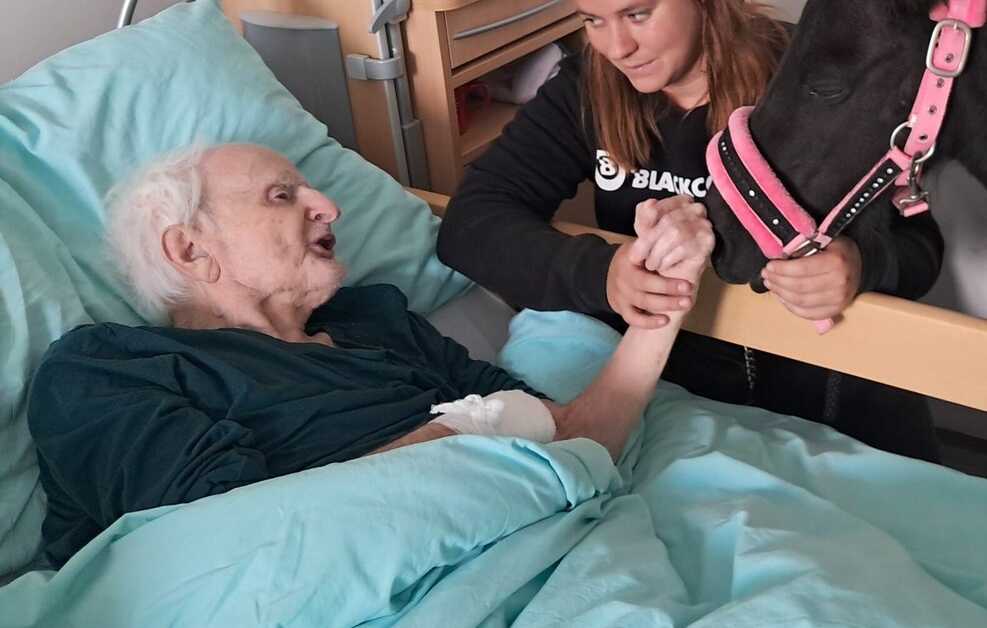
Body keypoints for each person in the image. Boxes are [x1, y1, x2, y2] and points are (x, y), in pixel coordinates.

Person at [437, 0, 944, 461]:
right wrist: (604, 275)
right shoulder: (585, 90)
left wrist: (859, 263)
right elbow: (471, 224)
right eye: (593, 21)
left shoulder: (806, 81)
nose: (617, 47)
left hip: (830, 402)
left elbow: (921, 244)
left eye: (637, 14)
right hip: (680, 406)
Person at [26, 142, 691, 567]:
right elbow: (233, 547)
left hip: (535, 550)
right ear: (191, 249)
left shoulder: (376, 319)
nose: (329, 207)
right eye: (281, 195)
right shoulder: (104, 370)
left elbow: (569, 440)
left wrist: (666, 291)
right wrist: (466, 431)